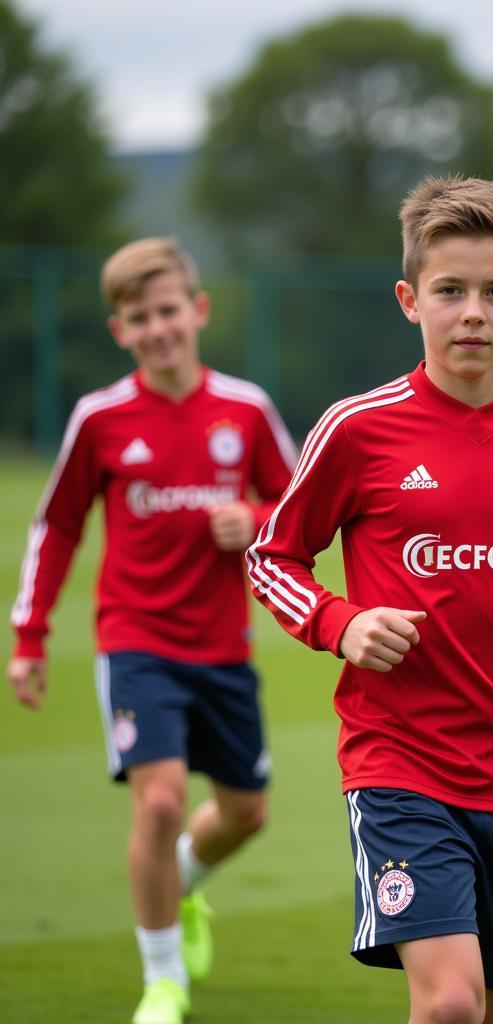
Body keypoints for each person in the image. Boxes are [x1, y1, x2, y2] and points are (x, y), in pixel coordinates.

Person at [247, 176, 493, 1024]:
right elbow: (273, 557)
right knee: (451, 1006)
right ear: (410, 300)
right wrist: (341, 621)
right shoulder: (358, 428)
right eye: (450, 291)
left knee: (483, 1008)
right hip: (400, 763)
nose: (473, 311)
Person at [8, 238, 297, 1024]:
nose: (159, 328)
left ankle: (181, 889)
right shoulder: (100, 419)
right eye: (141, 318)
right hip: (135, 641)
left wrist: (259, 517)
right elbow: (56, 528)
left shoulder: (246, 408)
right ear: (121, 331)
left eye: (169, 310)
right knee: (161, 802)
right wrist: (29, 637)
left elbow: (302, 503)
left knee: (247, 814)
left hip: (225, 646)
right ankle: (162, 980)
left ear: (197, 311)